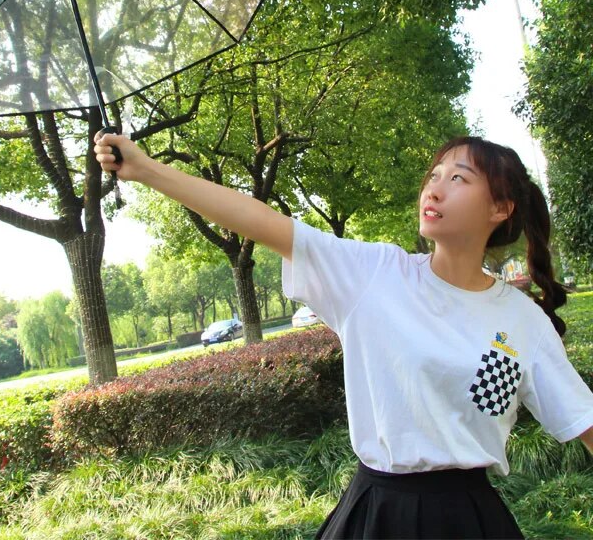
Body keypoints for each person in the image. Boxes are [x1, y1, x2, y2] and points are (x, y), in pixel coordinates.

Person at [94, 132, 593, 539]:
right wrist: (145, 170)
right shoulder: (376, 274)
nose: (434, 190)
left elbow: (582, 420)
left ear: (500, 209)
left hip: (469, 520)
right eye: (433, 177)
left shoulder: (521, 321)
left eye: (457, 179)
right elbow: (260, 220)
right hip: (376, 515)